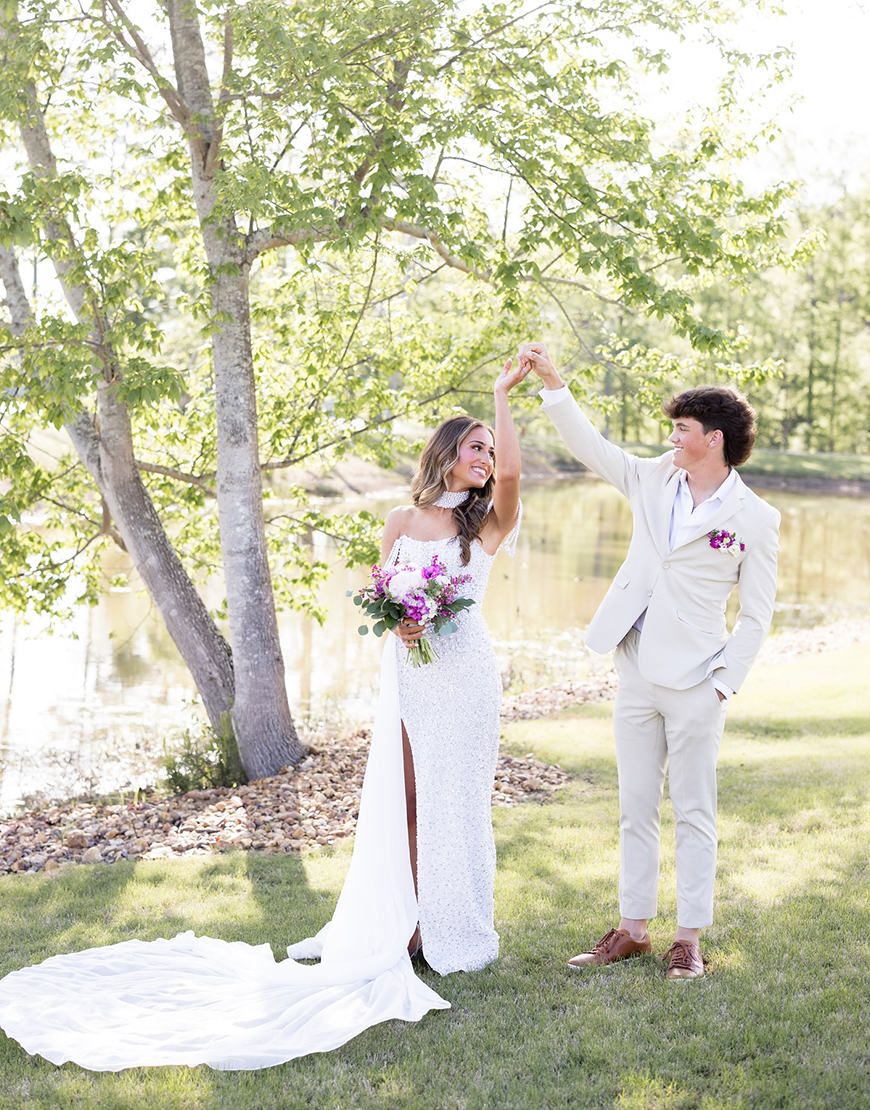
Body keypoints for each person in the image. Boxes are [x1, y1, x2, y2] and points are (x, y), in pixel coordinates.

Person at [0, 359, 526, 1071]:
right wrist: (400, 619)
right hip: (408, 675)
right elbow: (384, 590)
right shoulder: (402, 519)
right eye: (477, 446)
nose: (487, 459)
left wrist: (500, 397)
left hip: (464, 679)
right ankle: (407, 925)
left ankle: (455, 926)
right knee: (405, 799)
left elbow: (518, 484)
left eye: (491, 450)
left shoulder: (484, 526)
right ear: (445, 453)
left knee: (454, 800)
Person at [519, 341, 779, 980]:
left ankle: (687, 940)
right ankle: (633, 930)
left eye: (682, 430)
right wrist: (554, 383)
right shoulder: (655, 475)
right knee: (635, 803)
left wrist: (725, 683)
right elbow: (593, 446)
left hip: (698, 680)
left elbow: (757, 614)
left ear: (713, 440)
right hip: (633, 663)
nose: (671, 437)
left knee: (694, 808)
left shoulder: (756, 517)